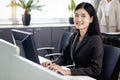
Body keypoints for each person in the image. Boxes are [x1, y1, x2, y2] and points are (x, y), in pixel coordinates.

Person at [42, 2, 104, 79]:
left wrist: (68, 72)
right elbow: (63, 57)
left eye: (83, 16)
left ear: (91, 19)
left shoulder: (95, 39)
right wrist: (52, 63)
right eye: (76, 15)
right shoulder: (74, 36)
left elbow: (95, 70)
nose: (78, 19)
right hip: (78, 77)